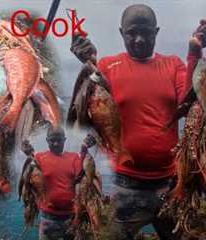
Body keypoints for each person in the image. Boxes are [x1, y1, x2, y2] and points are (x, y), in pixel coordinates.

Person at [70, 4, 206, 240]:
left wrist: (194, 51)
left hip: (172, 186)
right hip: (126, 187)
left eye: (147, 32)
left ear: (157, 31)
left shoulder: (173, 64)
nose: (140, 39)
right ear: (122, 33)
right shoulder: (107, 67)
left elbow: (187, 101)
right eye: (132, 33)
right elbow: (85, 114)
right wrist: (88, 62)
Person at [20, 126, 86, 240]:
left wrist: (84, 150)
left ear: (64, 140)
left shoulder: (74, 157)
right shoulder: (40, 157)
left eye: (59, 140)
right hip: (48, 219)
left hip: (70, 218)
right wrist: (28, 152)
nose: (55, 143)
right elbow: (31, 169)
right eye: (52, 140)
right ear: (47, 140)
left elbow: (81, 174)